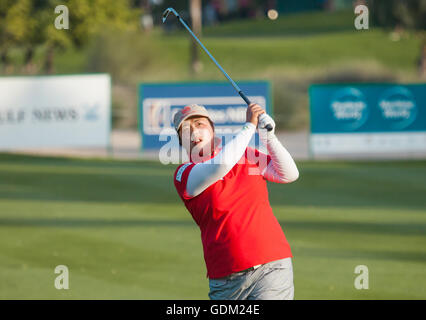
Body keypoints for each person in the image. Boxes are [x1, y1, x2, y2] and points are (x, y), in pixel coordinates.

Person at [172, 103, 299, 300]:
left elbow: (289, 174)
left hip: (271, 265)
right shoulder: (184, 174)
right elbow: (220, 166)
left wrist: (269, 137)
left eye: (199, 124)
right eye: (186, 130)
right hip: (225, 279)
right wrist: (249, 126)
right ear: (181, 141)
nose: (194, 132)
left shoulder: (246, 154)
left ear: (212, 129)